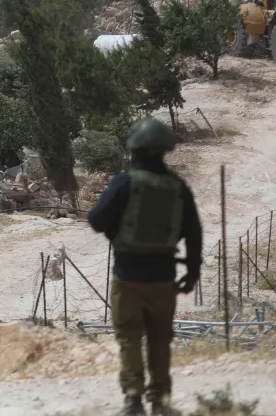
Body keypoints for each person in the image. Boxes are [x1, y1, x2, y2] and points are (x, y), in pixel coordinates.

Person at [89, 117, 202, 416]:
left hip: (127, 277)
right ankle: (161, 402)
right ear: (164, 150)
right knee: (160, 339)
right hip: (164, 278)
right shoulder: (179, 187)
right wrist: (192, 272)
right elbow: (193, 232)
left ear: (135, 150)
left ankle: (133, 401)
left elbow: (96, 220)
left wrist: (116, 230)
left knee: (128, 337)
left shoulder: (124, 182)